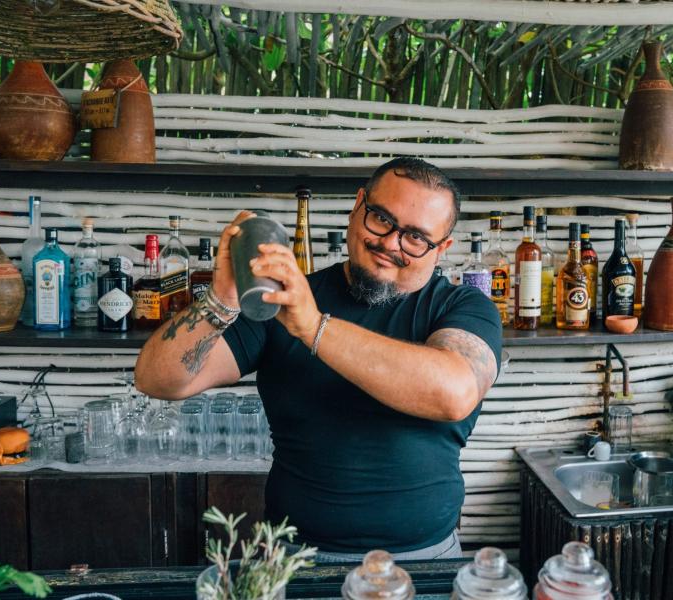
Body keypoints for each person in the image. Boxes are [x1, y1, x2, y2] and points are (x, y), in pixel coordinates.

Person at [134, 157, 502, 560]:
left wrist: (314, 327)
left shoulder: (463, 307)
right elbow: (159, 379)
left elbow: (452, 393)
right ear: (358, 205)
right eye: (381, 218)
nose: (391, 243)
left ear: (442, 247)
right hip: (294, 560)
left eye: (416, 237)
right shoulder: (286, 300)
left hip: (424, 560)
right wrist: (221, 297)